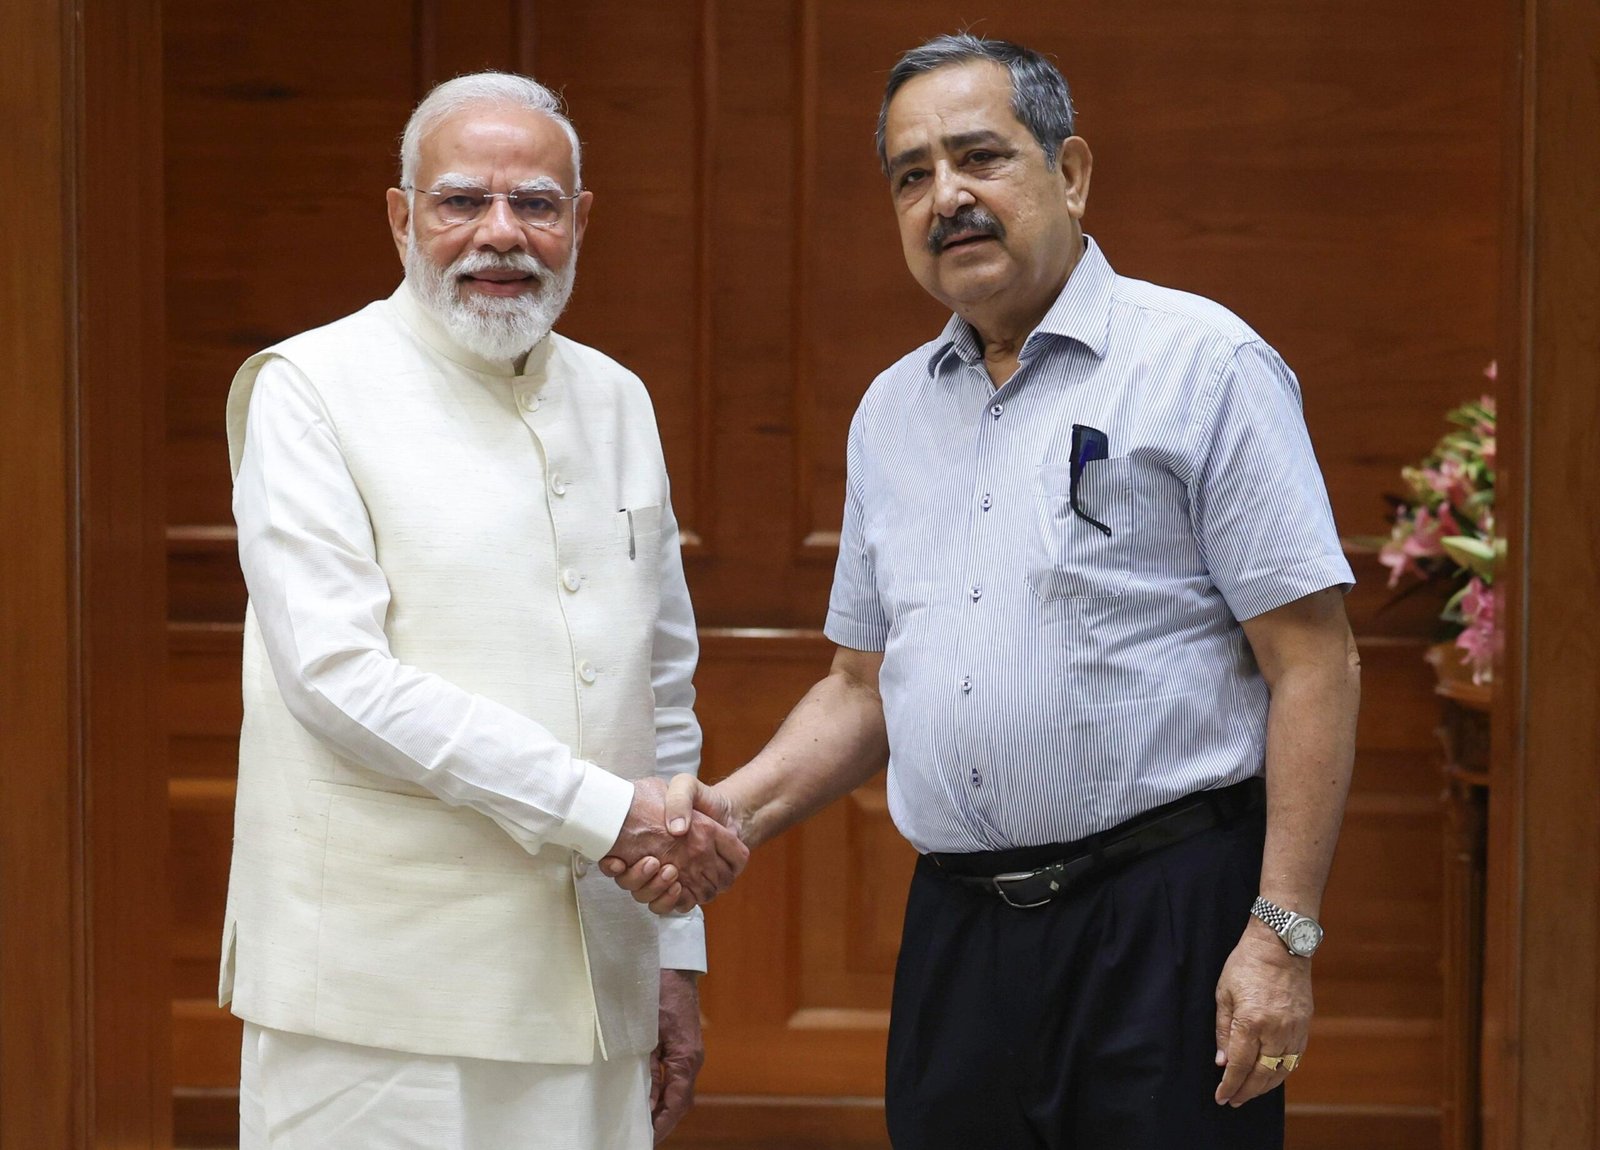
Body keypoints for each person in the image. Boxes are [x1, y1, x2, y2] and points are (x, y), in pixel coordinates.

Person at [604, 33, 1361, 1150]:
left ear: (1071, 171)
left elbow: (1314, 661)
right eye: (911, 175)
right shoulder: (890, 412)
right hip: (959, 931)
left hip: (1163, 920)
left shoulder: (1203, 365)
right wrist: (733, 811)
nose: (946, 197)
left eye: (979, 157)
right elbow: (860, 684)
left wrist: (1280, 935)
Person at [219, 71, 746, 1150]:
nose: (500, 233)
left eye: (535, 204)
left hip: (595, 984)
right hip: (374, 997)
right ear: (400, 216)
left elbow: (659, 687)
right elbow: (335, 679)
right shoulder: (308, 387)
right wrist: (603, 812)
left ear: (579, 221)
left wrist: (671, 953)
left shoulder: (618, 397)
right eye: (462, 200)